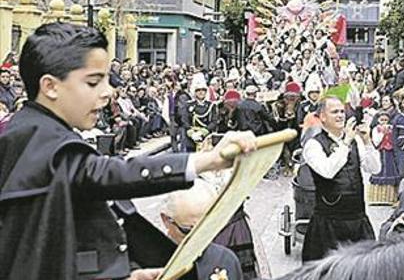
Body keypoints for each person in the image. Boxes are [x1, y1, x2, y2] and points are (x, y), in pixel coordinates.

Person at [0, 22, 257, 280]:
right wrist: (210, 160)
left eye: (107, 80)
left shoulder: (40, 132)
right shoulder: (34, 137)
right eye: (93, 82)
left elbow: (59, 250)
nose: (108, 92)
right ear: (50, 86)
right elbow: (110, 175)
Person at [301, 96, 380, 261]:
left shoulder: (356, 141)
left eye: (342, 111)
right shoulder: (313, 145)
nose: (340, 116)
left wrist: (367, 141)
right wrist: (345, 142)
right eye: (334, 112)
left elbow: (374, 168)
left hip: (357, 219)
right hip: (328, 222)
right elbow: (327, 171)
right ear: (322, 116)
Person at [161, 181, 243, 280]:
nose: (197, 240)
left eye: (206, 229)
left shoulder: (226, 259)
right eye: (189, 231)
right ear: (166, 220)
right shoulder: (147, 266)